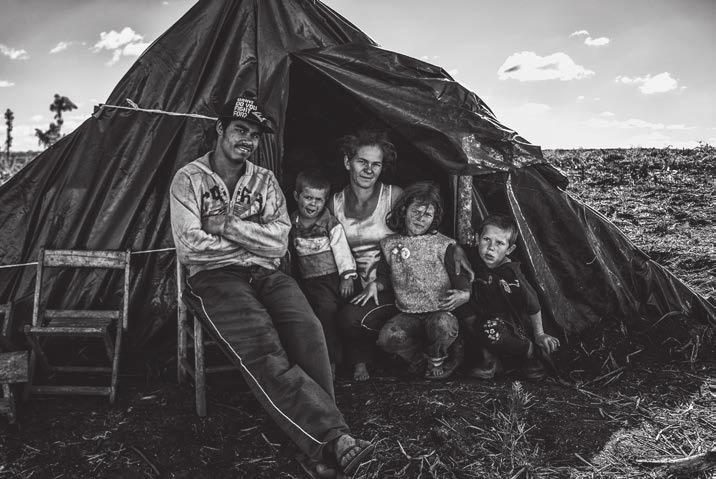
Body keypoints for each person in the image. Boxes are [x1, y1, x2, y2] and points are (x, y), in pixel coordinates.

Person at [169, 94, 373, 476]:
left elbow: (279, 242)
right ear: (220, 129)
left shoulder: (264, 180)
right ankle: (330, 443)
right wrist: (253, 236)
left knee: (309, 330)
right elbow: (190, 245)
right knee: (264, 346)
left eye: (255, 134)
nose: (247, 139)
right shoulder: (189, 179)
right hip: (213, 278)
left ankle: (318, 446)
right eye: (240, 130)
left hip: (267, 272)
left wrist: (228, 226)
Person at [373, 182, 472, 379]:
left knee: (442, 326)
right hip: (408, 313)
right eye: (416, 212)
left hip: (439, 311)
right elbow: (384, 276)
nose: (420, 219)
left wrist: (465, 293)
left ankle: (438, 358)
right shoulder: (389, 244)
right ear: (404, 210)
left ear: (434, 218)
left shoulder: (442, 245)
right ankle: (418, 359)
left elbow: (459, 275)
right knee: (387, 338)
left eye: (427, 215)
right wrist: (375, 285)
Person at [327, 130, 403, 382]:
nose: (369, 169)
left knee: (349, 318)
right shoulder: (334, 203)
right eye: (362, 161)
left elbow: (419, 236)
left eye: (376, 164)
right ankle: (350, 363)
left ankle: (391, 354)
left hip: (393, 285)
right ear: (348, 162)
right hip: (356, 284)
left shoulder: (393, 196)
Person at [463, 214, 560, 380]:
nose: (491, 247)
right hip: (483, 316)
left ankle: (530, 353)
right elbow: (453, 249)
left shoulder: (511, 274)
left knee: (489, 328)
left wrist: (539, 334)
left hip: (510, 325)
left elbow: (533, 303)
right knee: (464, 308)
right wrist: (457, 251)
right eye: (486, 239)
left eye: (499, 243)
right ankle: (490, 361)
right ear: (478, 239)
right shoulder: (476, 259)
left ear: (509, 250)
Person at [289, 168, 358, 377]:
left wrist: (347, 276)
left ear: (325, 200)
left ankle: (347, 363)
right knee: (317, 319)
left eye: (319, 200)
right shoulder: (291, 223)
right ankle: (324, 361)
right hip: (310, 283)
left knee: (340, 318)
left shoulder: (329, 223)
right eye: (308, 198)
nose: (313, 204)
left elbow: (342, 249)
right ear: (296, 196)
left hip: (334, 279)